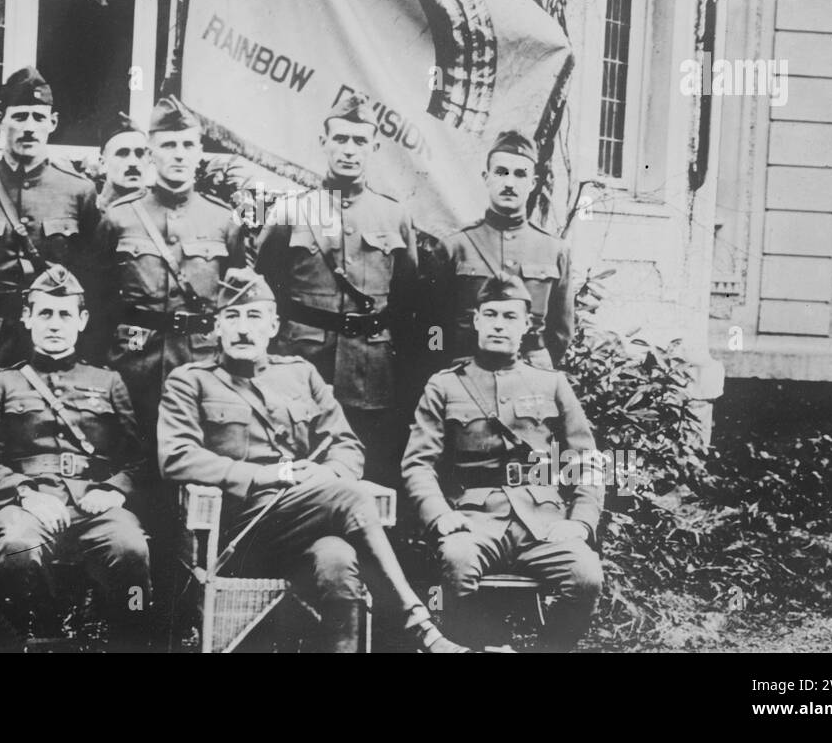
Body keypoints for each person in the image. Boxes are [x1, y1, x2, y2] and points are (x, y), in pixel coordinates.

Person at [157, 268, 469, 653]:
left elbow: (347, 446)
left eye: (253, 317)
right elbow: (177, 456)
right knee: (354, 498)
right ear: (216, 327)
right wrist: (263, 474)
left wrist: (323, 474)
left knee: (337, 558)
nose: (242, 329)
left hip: (309, 518)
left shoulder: (301, 374)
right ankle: (417, 625)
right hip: (240, 529)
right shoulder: (190, 381)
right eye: (232, 318)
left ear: (273, 325)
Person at [402, 274, 603, 652]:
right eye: (490, 314)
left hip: (544, 520)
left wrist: (580, 521)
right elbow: (418, 463)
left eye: (510, 317)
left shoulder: (552, 383)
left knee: (586, 575)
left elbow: (586, 459)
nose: (498, 324)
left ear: (527, 325)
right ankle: (477, 648)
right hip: (475, 518)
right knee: (457, 560)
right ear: (475, 320)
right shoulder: (444, 385)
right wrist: (439, 513)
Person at [0, 266, 150, 648]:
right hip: (24, 506)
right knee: (17, 547)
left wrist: (115, 491)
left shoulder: (108, 382)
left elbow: (140, 459)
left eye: (65, 314)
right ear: (27, 317)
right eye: (45, 313)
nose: (55, 324)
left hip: (94, 506)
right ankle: (4, 642)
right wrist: (26, 494)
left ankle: (133, 639)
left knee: (132, 550)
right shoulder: (1, 383)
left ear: (82, 321)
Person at [0, 66, 99, 468]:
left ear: (53, 124)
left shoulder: (77, 191)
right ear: (0, 121)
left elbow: (91, 273)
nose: (29, 127)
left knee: (41, 435)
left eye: (38, 118)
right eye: (19, 116)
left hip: (47, 337)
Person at [250, 93, 418, 487]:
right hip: (304, 366)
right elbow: (263, 292)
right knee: (300, 478)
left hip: (371, 373)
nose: (349, 150)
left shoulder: (395, 216)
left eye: (360, 141)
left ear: (375, 147)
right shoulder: (291, 212)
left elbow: (409, 303)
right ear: (323, 142)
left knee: (368, 478)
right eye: (340, 139)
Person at [92, 95, 244, 440]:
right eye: (169, 144)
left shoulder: (223, 220)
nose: (179, 154)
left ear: (200, 152)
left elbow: (235, 302)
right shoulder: (119, 217)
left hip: (202, 363)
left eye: (188, 145)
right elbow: (96, 300)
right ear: (150, 153)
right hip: (133, 363)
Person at [433, 130, 573, 369]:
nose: (509, 183)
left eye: (520, 174)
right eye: (501, 172)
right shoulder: (454, 247)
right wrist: (439, 369)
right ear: (486, 177)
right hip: (466, 375)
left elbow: (561, 330)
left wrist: (538, 371)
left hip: (531, 375)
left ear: (533, 182)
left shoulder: (553, 249)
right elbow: (432, 324)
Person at [97, 113, 148, 209]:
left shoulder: (158, 213)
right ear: (102, 164)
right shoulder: (87, 211)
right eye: (122, 153)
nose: (133, 163)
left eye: (139, 154)